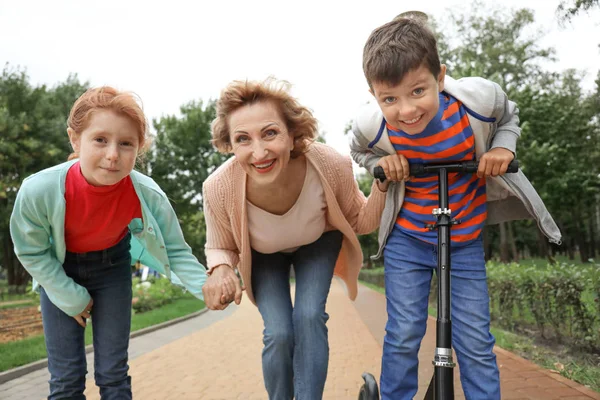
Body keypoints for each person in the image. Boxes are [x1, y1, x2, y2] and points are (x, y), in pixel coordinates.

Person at [349, 14, 562, 400]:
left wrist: (503, 147)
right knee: (403, 332)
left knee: (476, 340)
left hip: (462, 240)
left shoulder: (477, 103)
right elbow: (358, 151)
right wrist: (380, 166)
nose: (406, 110)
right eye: (390, 99)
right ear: (374, 94)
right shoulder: (372, 125)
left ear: (440, 77)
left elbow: (508, 115)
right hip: (407, 239)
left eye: (418, 91)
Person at [10, 87, 208, 400]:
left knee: (113, 375)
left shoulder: (146, 194)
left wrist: (208, 288)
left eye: (126, 143)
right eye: (100, 139)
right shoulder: (38, 190)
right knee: (66, 379)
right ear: (75, 140)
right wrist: (71, 297)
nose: (113, 154)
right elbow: (31, 251)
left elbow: (175, 251)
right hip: (58, 271)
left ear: (138, 148)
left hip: (113, 269)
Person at [201, 77, 387, 399]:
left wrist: (384, 183)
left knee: (309, 316)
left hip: (317, 242)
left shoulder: (330, 164)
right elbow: (221, 245)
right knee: (278, 333)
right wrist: (219, 270)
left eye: (270, 133)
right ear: (230, 144)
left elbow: (360, 219)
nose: (259, 152)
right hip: (263, 255)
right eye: (243, 139)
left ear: (292, 134)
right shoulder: (218, 187)